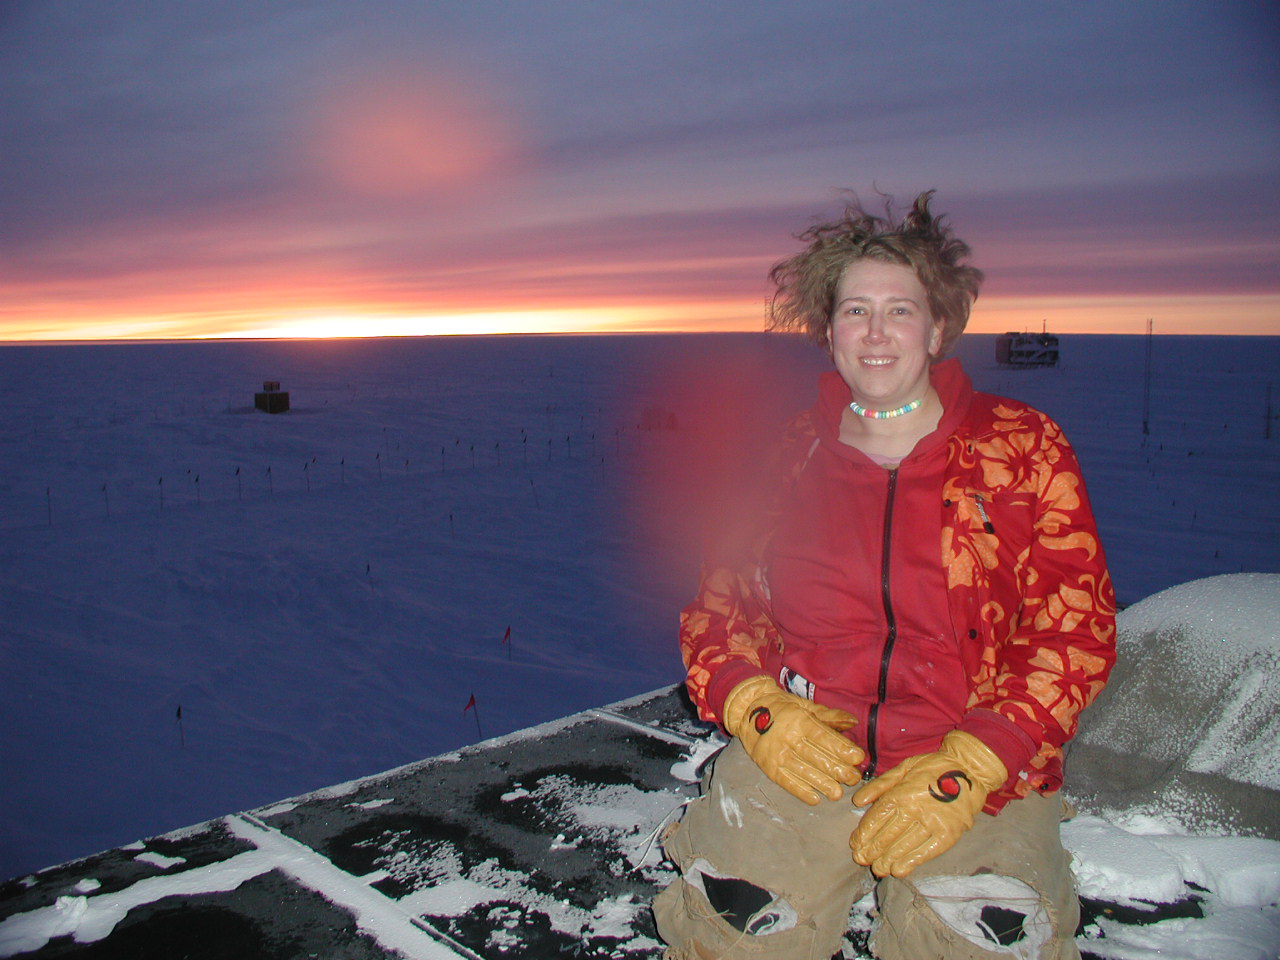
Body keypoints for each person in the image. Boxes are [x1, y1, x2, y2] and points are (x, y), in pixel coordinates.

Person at [653, 191, 1116, 960]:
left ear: (938, 327)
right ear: (827, 329)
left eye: (899, 310)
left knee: (975, 940)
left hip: (976, 762)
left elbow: (1076, 632)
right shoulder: (784, 457)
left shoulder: (1022, 448)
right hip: (812, 751)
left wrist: (977, 761)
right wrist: (757, 708)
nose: (875, 333)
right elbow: (717, 611)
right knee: (732, 936)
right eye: (854, 310)